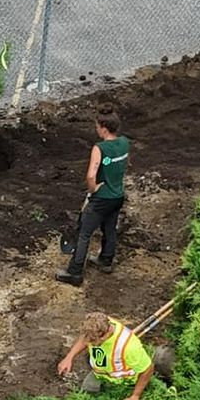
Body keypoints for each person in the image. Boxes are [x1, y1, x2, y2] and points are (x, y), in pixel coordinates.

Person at [57, 109, 131, 286]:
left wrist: (93, 189)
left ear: (104, 128)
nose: (96, 129)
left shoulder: (100, 148)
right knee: (110, 228)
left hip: (102, 199)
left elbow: (91, 176)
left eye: (97, 126)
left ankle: (74, 273)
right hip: (117, 195)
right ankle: (106, 260)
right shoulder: (124, 143)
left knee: (84, 233)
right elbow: (124, 164)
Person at [55, 311, 154, 400]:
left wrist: (135, 396)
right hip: (99, 374)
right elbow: (85, 339)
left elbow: (148, 369)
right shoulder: (99, 324)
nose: (88, 343)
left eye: (93, 342)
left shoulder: (129, 347)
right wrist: (69, 357)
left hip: (123, 381)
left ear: (105, 335)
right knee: (87, 395)